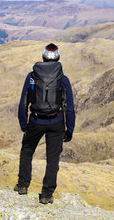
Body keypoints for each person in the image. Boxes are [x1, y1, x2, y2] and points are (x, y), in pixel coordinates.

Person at [14, 43, 75, 204]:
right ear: (58, 58)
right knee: (53, 158)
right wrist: (70, 129)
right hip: (56, 122)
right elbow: (69, 107)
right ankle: (47, 195)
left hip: (35, 120)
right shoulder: (63, 79)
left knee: (27, 151)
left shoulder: (32, 76)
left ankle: (22, 186)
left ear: (43, 57)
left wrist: (24, 124)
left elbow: (23, 102)